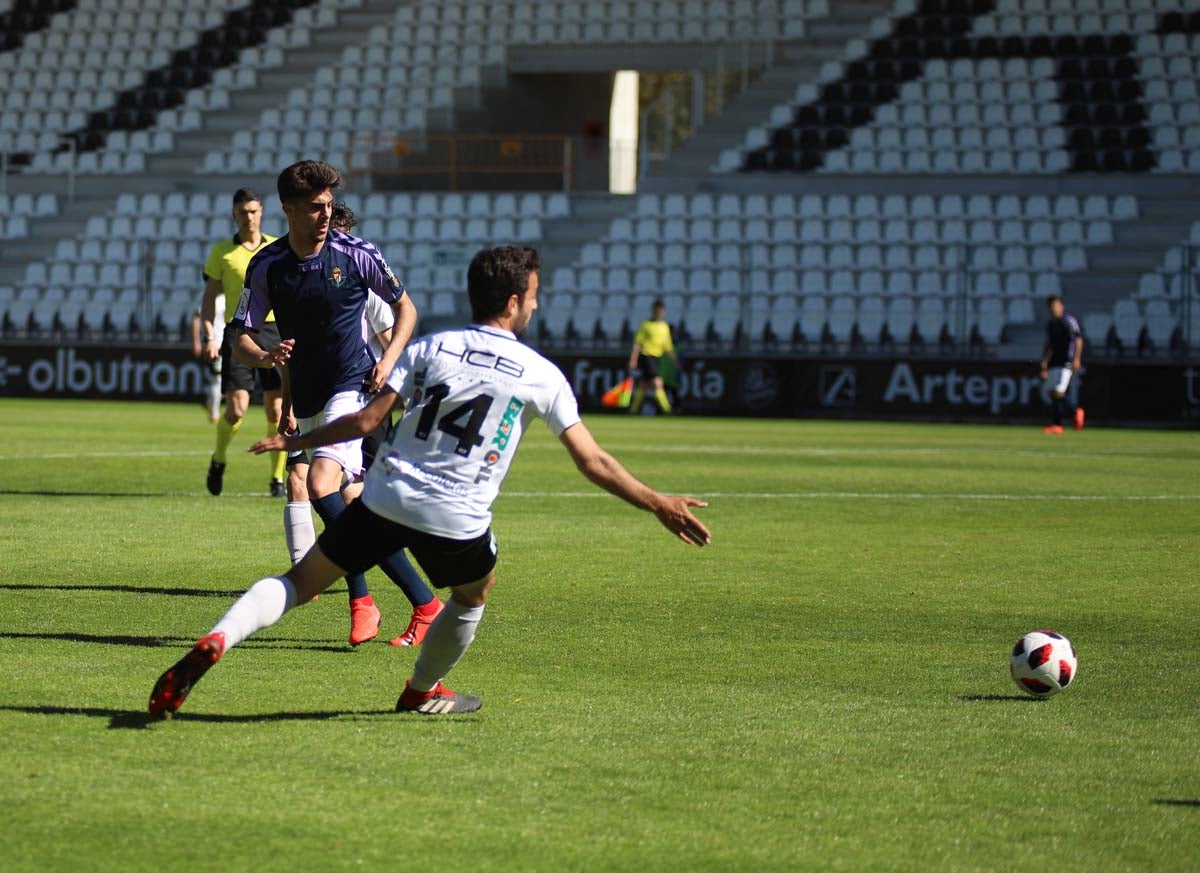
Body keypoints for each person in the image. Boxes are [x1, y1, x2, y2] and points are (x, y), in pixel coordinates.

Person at [148, 245, 711, 719]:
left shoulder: (430, 347)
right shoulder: (542, 374)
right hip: (456, 514)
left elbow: (368, 421)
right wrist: (656, 501)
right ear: (514, 303)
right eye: (534, 295)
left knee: (301, 580)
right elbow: (594, 462)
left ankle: (219, 637)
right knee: (473, 592)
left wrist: (295, 443)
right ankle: (420, 691)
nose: (536, 304)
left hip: (387, 497)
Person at [230, 160, 441, 648]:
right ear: (288, 209)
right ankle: (406, 602)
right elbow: (239, 335)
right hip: (306, 397)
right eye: (314, 207)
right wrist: (266, 357)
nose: (325, 214)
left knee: (317, 481)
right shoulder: (268, 265)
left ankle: (380, 599)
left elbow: (406, 307)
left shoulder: (358, 254)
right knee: (348, 502)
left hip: (353, 387)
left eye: (329, 205)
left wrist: (389, 359)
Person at [277, 201, 429, 646]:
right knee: (334, 496)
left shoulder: (359, 278)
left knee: (337, 494)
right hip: (314, 398)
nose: (331, 237)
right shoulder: (294, 275)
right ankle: (389, 602)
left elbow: (392, 334)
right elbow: (292, 349)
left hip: (358, 399)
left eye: (338, 227)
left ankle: (369, 599)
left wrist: (390, 374)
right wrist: (287, 403)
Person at [199, 188, 286, 496]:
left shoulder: (278, 247)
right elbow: (210, 297)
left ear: (261, 213)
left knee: (276, 412)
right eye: (242, 212)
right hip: (239, 332)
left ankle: (277, 479)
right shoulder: (222, 252)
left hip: (275, 330)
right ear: (234, 215)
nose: (248, 217)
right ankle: (219, 459)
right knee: (237, 409)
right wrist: (209, 334)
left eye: (253, 211)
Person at [1038, 295, 1086, 434]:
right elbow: (1049, 344)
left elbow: (1078, 340)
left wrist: (1077, 359)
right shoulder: (1050, 324)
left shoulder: (1068, 321)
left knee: (1058, 391)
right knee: (1053, 392)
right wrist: (1045, 360)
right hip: (1054, 361)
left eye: (1056, 305)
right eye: (1051, 306)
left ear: (1061, 306)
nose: (1054, 309)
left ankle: (1075, 411)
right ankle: (1057, 425)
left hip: (1066, 361)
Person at [628, 299, 678, 415]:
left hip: (657, 358)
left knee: (643, 384)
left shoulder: (664, 327)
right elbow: (638, 343)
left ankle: (633, 410)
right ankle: (667, 410)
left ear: (663, 312)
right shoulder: (646, 325)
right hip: (647, 356)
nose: (659, 313)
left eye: (661, 311)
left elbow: (668, 346)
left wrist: (675, 361)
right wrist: (633, 359)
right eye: (656, 310)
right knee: (657, 382)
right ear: (653, 311)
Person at [190, 294, 222, 423]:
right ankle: (214, 414)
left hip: (231, 344)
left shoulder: (235, 296)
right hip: (216, 345)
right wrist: (196, 341)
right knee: (218, 378)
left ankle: (209, 403)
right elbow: (196, 318)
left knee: (227, 381)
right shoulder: (214, 298)